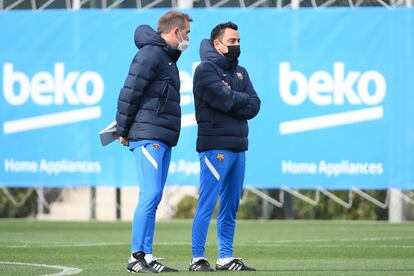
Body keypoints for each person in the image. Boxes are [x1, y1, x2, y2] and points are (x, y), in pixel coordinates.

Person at [115, 11, 192, 273]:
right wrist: (123, 129)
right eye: (187, 33)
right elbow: (130, 91)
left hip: (161, 135)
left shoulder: (167, 58)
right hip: (148, 135)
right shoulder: (151, 54)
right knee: (149, 195)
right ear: (175, 32)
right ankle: (135, 257)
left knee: (154, 197)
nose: (188, 38)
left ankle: (147, 255)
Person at [189, 22, 261, 272]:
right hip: (215, 146)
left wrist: (235, 98)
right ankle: (197, 258)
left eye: (238, 40)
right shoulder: (204, 70)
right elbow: (226, 99)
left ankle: (225, 258)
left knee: (231, 206)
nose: (237, 45)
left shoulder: (241, 72)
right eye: (232, 41)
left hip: (239, 147)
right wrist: (236, 99)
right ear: (217, 44)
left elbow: (254, 104)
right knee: (207, 204)